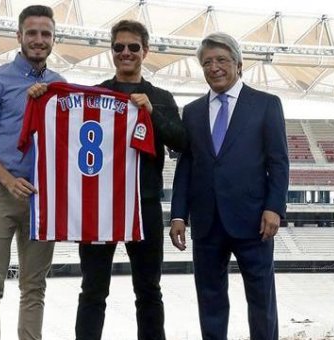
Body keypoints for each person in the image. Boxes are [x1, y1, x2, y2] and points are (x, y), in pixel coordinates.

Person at [169, 32, 289, 340]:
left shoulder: (266, 105)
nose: (214, 67)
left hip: (254, 222)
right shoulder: (192, 111)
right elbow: (186, 165)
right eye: (207, 62)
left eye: (221, 60)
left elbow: (278, 162)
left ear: (238, 64)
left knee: (261, 301)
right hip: (207, 222)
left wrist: (274, 207)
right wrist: (178, 214)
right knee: (210, 302)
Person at [74, 20, 187, 340]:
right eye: (119, 47)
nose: (126, 53)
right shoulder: (93, 95)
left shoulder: (162, 97)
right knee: (93, 290)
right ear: (112, 52)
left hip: (145, 203)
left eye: (133, 47)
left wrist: (152, 112)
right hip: (101, 205)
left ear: (145, 51)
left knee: (149, 289)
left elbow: (181, 143)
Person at [0, 5, 65, 340]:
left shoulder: (60, 85)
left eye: (46, 34)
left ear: (54, 39)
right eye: (33, 33)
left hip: (43, 199)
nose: (39, 40)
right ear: (19, 36)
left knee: (34, 287)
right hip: (1, 193)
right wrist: (9, 181)